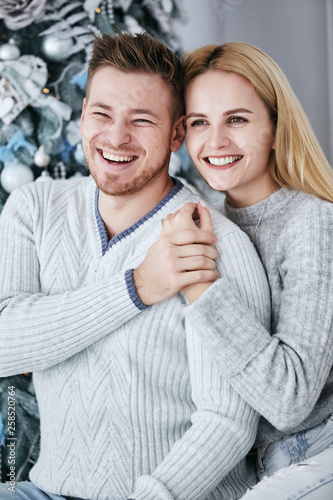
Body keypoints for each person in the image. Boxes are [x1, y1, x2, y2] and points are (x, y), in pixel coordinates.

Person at [0, 33, 271, 500]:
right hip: (43, 490)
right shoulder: (34, 207)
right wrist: (137, 286)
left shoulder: (214, 243)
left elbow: (227, 421)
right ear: (83, 114)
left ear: (177, 134)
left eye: (142, 120)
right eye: (102, 113)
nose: (116, 136)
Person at [148, 42, 333, 498]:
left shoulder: (312, 221)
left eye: (237, 119)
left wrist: (202, 285)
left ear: (274, 125)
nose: (215, 143)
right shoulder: (199, 214)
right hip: (245, 462)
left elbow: (290, 401)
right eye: (198, 123)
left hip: (312, 447)